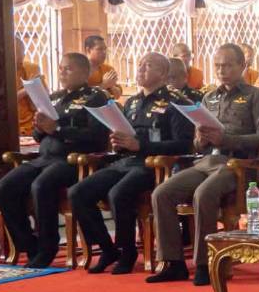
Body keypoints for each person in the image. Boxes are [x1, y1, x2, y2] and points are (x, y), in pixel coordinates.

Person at [147, 44, 259, 285]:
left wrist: (227, 139)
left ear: (242, 66)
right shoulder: (209, 97)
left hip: (239, 165)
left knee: (203, 193)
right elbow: (196, 143)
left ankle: (205, 263)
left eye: (227, 65)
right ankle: (173, 262)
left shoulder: (256, 96)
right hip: (207, 160)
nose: (221, 70)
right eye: (217, 66)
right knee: (162, 192)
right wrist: (201, 139)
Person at [69, 52, 193, 275]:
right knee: (78, 192)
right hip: (125, 161)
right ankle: (108, 249)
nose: (141, 69)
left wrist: (141, 145)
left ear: (163, 73)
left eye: (149, 66)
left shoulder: (175, 102)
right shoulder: (132, 102)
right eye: (140, 64)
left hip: (153, 165)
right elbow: (124, 135)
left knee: (119, 193)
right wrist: (118, 143)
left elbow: (184, 146)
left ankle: (127, 252)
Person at [0, 52, 109, 268]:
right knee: (3, 188)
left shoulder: (95, 97)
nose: (63, 72)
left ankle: (48, 247)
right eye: (61, 68)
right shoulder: (53, 98)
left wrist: (58, 129)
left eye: (69, 68)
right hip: (44, 157)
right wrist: (39, 126)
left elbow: (97, 135)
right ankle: (30, 244)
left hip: (73, 160)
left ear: (85, 72)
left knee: (41, 185)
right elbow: (40, 136)